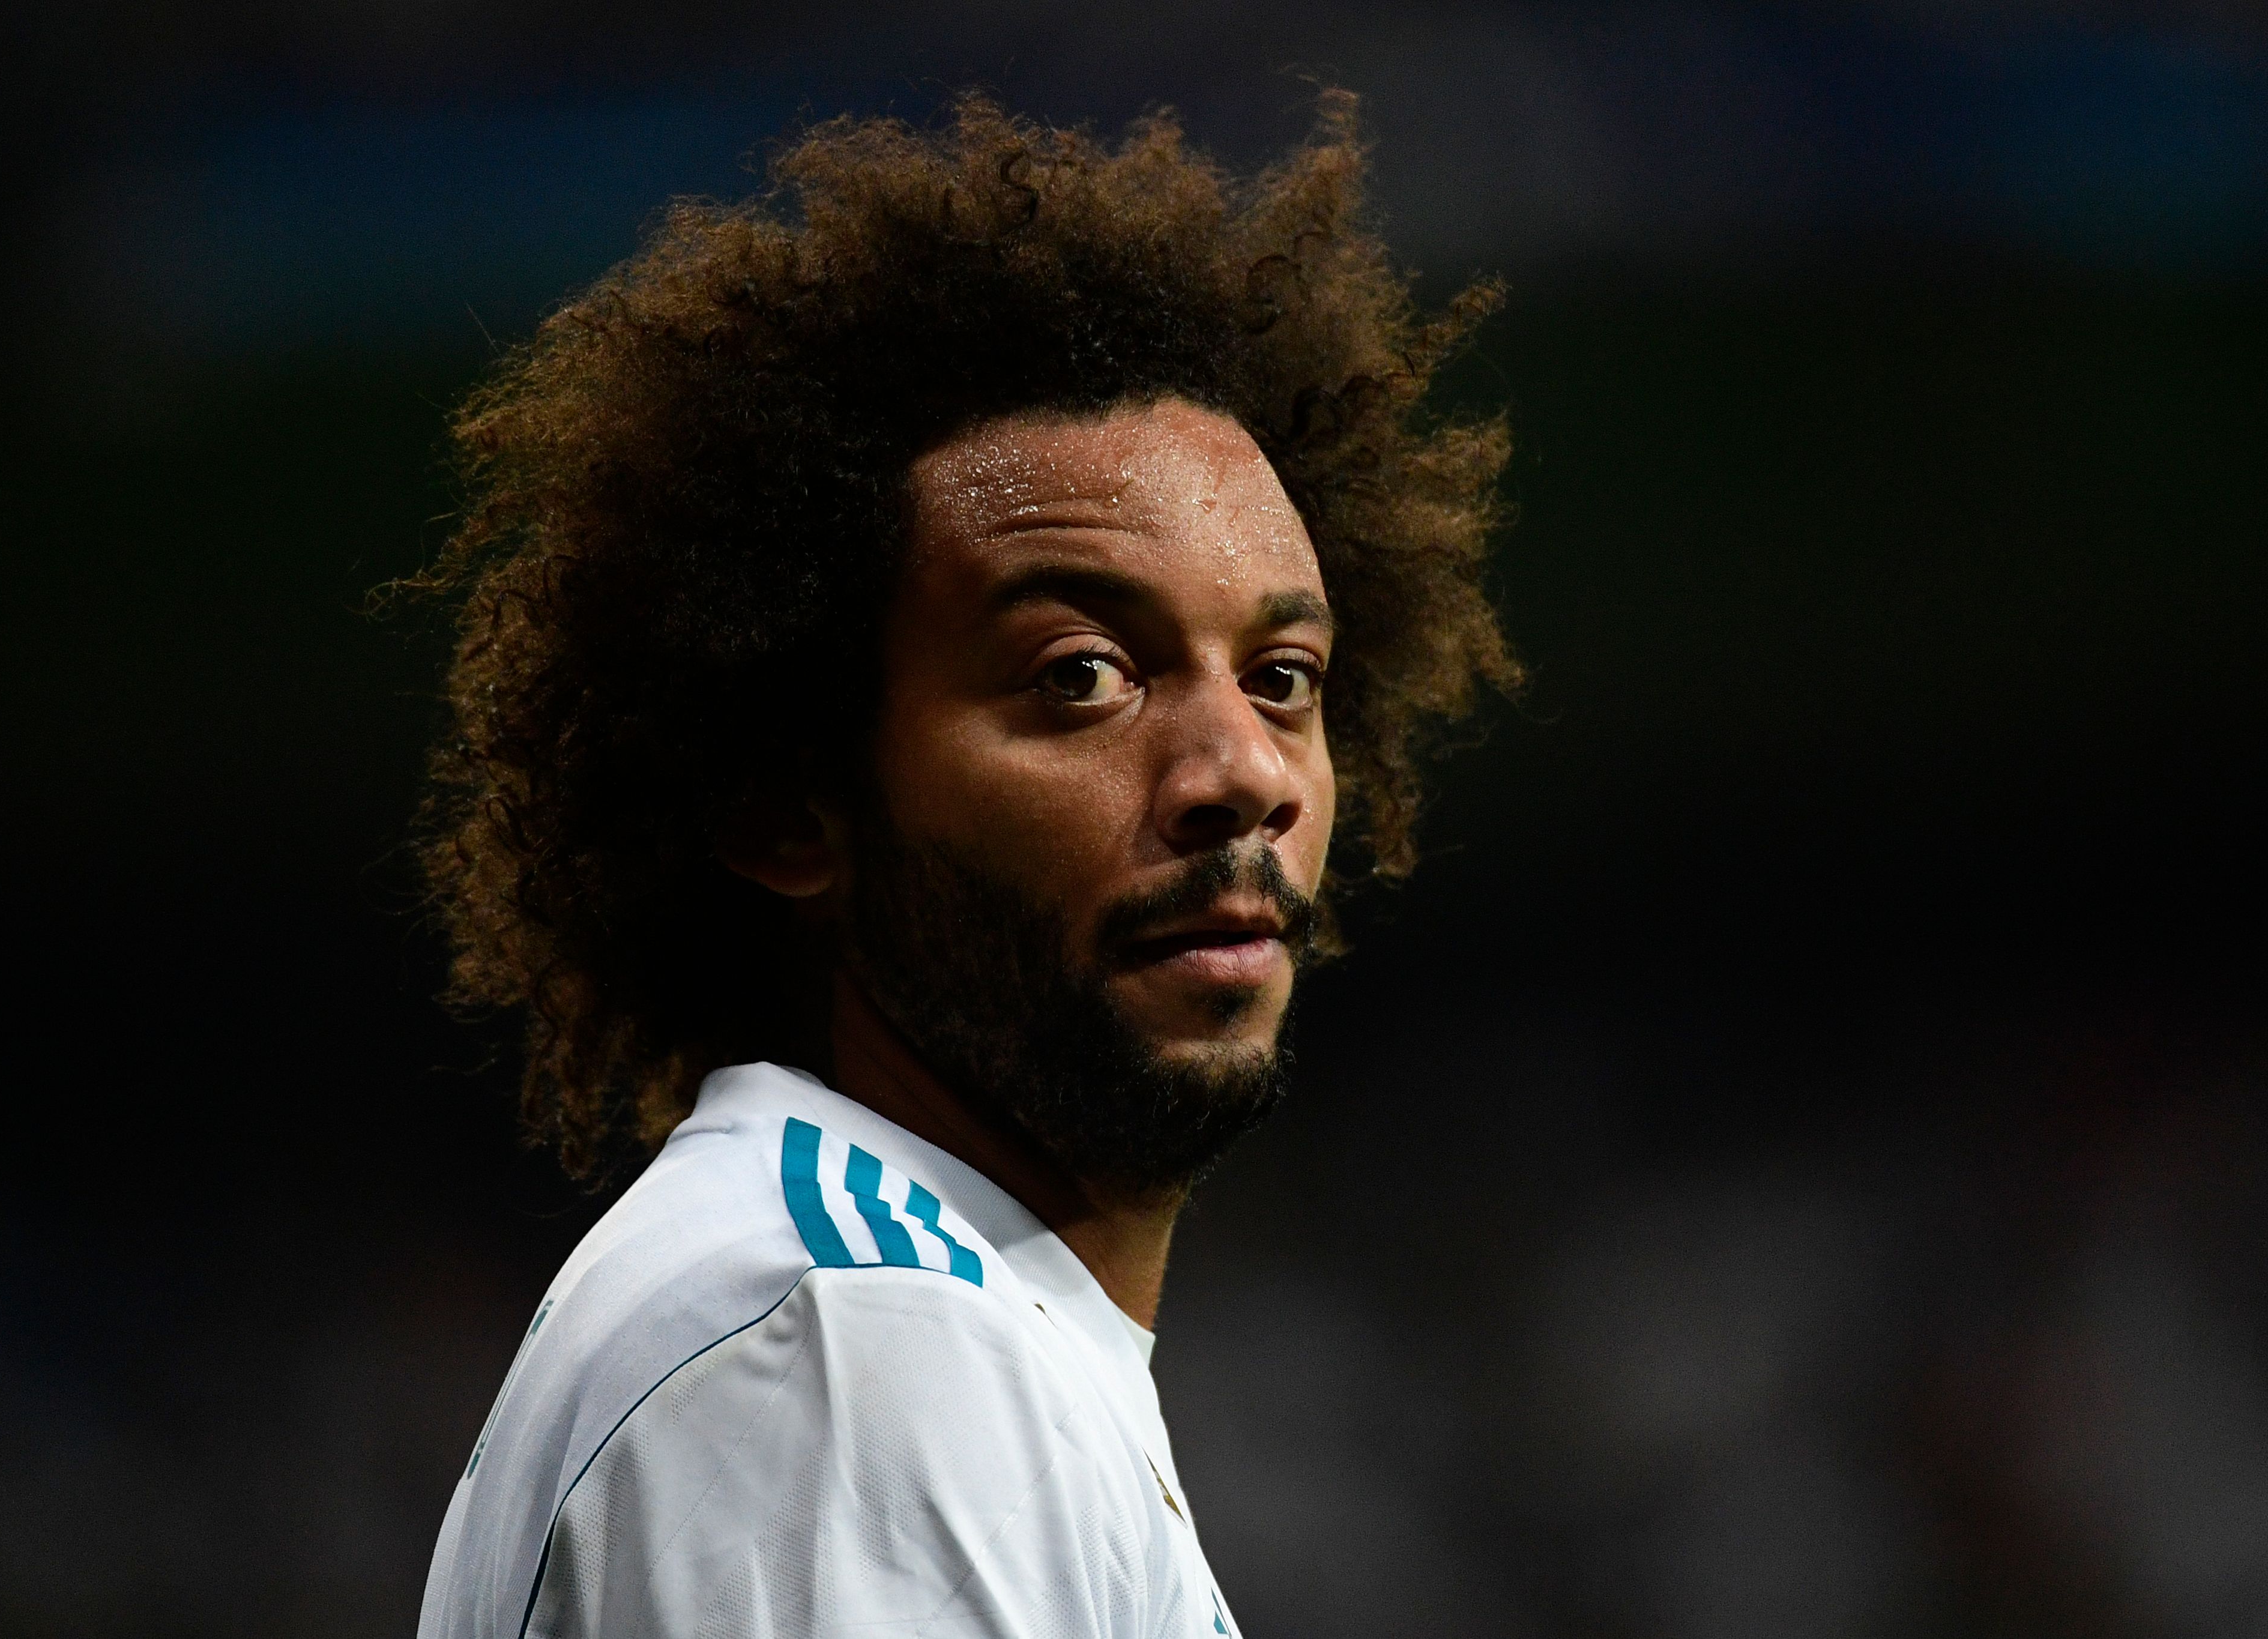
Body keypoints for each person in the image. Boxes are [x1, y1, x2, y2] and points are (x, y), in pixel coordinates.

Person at [411, 92, 1516, 1638]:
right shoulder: (856, 1347)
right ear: (785, 808)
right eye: (1078, 674)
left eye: (1281, 677)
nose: (1242, 777)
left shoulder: (899, 1310)